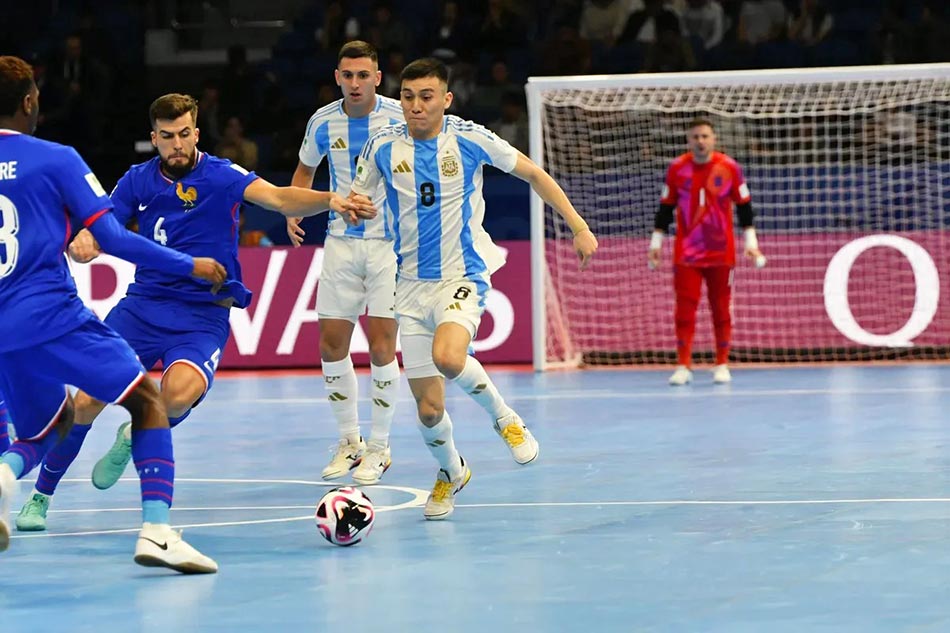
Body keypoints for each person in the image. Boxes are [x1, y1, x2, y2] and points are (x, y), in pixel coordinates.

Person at [14, 92, 375, 532]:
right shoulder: (135, 180)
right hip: (142, 309)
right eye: (167, 137)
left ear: (197, 133)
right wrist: (85, 243)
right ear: (154, 139)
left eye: (184, 134)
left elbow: (279, 198)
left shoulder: (221, 175)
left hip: (202, 314)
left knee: (177, 395)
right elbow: (101, 228)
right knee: (86, 400)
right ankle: (40, 497)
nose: (177, 144)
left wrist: (330, 199)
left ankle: (134, 435)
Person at [0, 56, 228, 570]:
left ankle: (5, 480)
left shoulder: (215, 175)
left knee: (43, 429)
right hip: (52, 318)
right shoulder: (55, 158)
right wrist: (188, 265)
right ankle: (156, 532)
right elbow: (114, 238)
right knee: (147, 402)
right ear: (31, 101)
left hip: (2, 329)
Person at [350, 57, 598, 520]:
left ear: (446, 99)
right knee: (427, 410)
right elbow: (360, 197)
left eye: (427, 97)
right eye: (407, 97)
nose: (416, 106)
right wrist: (354, 208)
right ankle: (451, 472)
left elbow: (535, 174)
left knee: (449, 356)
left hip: (461, 275)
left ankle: (506, 419)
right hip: (408, 286)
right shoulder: (381, 146)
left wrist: (578, 226)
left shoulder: (469, 138)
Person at [286, 41, 404, 486]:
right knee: (332, 345)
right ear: (337, 77)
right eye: (347, 75)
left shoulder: (398, 118)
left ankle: (380, 446)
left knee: (381, 347)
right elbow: (303, 172)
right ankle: (349, 441)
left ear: (377, 77)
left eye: (363, 75)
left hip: (388, 247)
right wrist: (293, 210)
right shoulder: (322, 121)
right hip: (340, 243)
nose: (355, 83)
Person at [647, 118, 765, 386]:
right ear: (689, 141)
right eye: (695, 137)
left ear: (713, 139)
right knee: (684, 311)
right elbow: (665, 209)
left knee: (721, 309)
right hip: (687, 253)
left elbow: (744, 206)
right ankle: (683, 366)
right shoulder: (677, 169)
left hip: (721, 253)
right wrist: (655, 245)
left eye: (705, 136)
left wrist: (751, 242)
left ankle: (722, 363)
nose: (700, 141)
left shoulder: (730, 167)